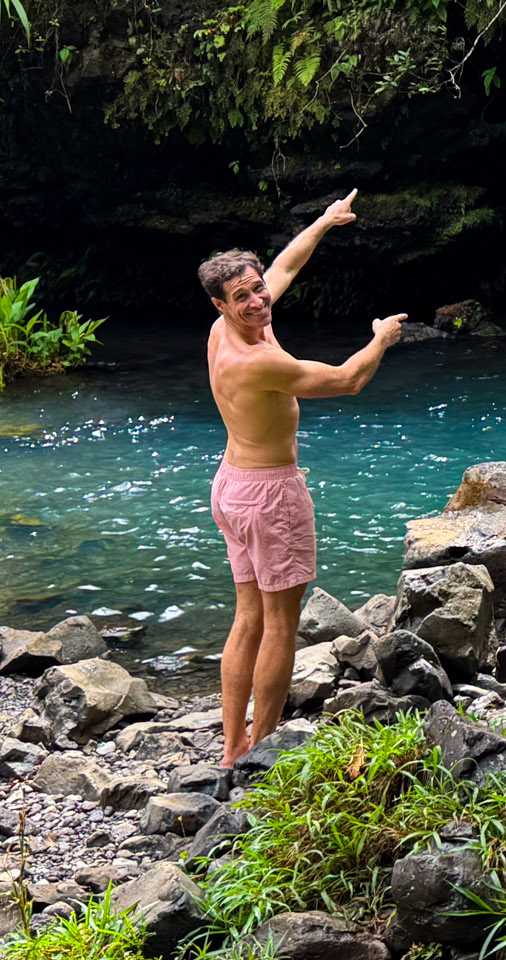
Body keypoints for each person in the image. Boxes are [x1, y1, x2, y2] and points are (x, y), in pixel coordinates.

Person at [200, 191, 407, 768]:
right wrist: (380, 339)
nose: (259, 300)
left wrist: (322, 221)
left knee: (247, 617)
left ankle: (230, 746)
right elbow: (346, 381)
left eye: (257, 288)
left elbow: (284, 266)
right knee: (280, 627)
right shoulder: (257, 361)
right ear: (220, 304)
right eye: (242, 297)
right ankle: (257, 751)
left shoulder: (231, 332)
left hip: (232, 486)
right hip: (269, 495)